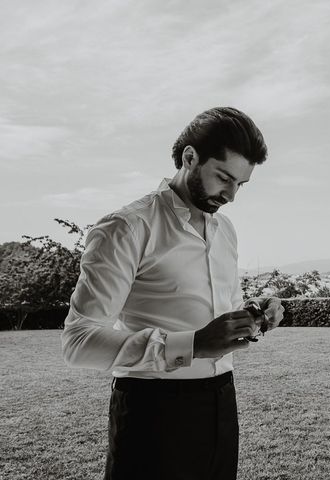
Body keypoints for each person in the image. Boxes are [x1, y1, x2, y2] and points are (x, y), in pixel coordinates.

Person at [61, 106, 284, 480]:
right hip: (153, 413)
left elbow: (221, 316)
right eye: (223, 178)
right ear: (189, 157)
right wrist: (192, 344)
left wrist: (254, 316)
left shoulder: (225, 230)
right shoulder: (127, 227)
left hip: (222, 404)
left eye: (240, 185)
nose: (231, 195)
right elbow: (77, 341)